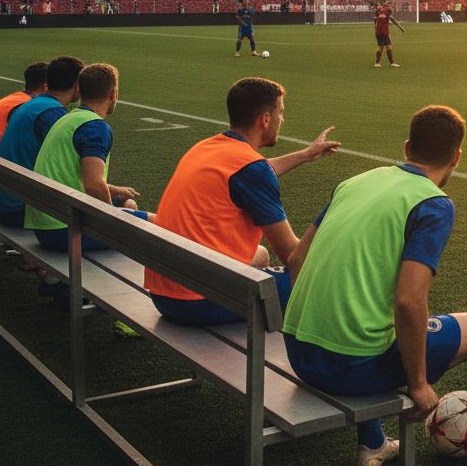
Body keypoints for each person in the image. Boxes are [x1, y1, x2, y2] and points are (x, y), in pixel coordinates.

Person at [283, 106, 467, 466]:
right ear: (457, 157)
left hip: (298, 353)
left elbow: (296, 258)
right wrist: (418, 383)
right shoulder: (433, 203)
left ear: (406, 148)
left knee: (369, 323)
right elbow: (409, 302)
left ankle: (374, 444)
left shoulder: (356, 182)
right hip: (349, 367)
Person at [146, 78, 340, 325]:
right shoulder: (252, 170)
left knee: (258, 255)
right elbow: (292, 255)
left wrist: (305, 155)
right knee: (314, 282)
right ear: (265, 119)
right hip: (195, 301)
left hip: (164, 292)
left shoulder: (208, 147)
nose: (282, 120)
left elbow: (252, 171)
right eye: (281, 113)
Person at [25, 63, 151, 253]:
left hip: (47, 222)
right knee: (158, 224)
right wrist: (112, 222)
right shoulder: (95, 127)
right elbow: (93, 185)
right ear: (113, 94)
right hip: (63, 230)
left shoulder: (68, 118)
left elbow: (70, 178)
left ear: (80, 90)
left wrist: (113, 190)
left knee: (127, 204)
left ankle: (53, 281)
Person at [0, 56, 84, 228]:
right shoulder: (52, 114)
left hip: (7, 201)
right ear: (77, 85)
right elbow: (67, 172)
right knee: (118, 205)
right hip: (22, 208)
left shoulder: (33, 105)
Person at [0, 61, 48, 253]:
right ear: (46, 85)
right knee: (52, 203)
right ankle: (35, 259)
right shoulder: (29, 108)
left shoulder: (15, 100)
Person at [373, 2, 404, 68]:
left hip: (378, 32)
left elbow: (375, 19)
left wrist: (375, 27)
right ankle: (391, 63)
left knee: (381, 47)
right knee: (387, 47)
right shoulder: (388, 11)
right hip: (384, 32)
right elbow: (393, 20)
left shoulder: (378, 11)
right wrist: (400, 27)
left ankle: (377, 63)